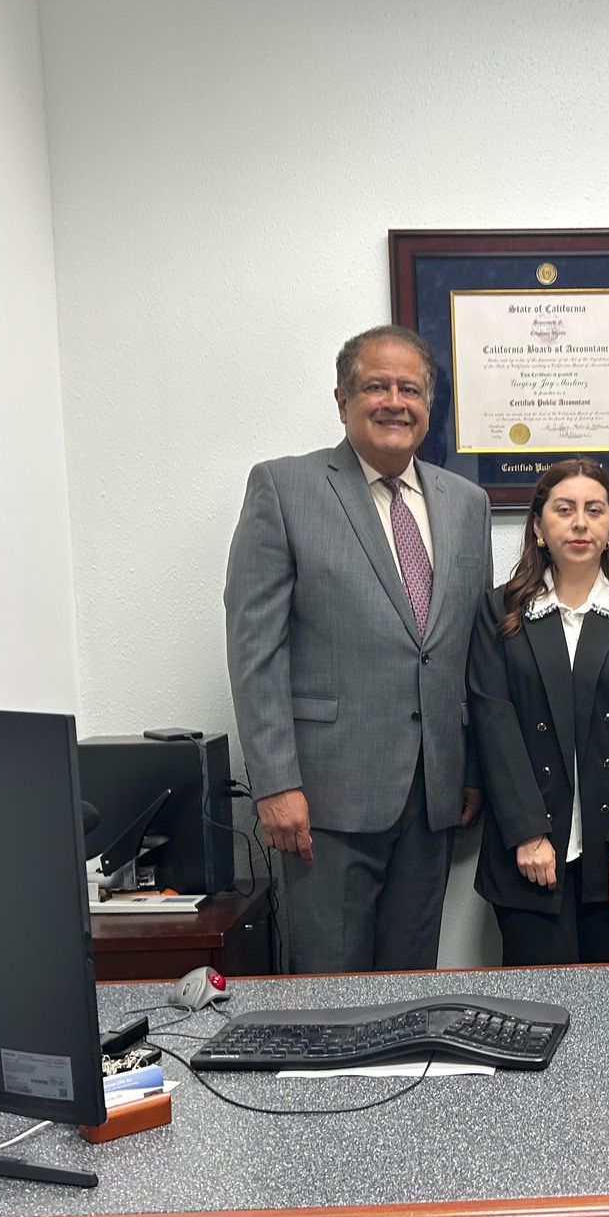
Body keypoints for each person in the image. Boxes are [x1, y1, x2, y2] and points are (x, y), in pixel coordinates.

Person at [224, 324, 491, 973]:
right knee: (328, 988)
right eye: (376, 386)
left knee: (409, 985)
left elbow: (475, 651)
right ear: (342, 400)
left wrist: (472, 770)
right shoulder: (284, 489)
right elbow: (255, 649)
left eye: (410, 388)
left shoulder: (466, 503)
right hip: (323, 799)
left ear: (430, 407)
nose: (394, 401)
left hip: (434, 795)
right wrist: (275, 783)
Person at [467, 459, 609, 964]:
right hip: (529, 853)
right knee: (537, 1012)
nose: (580, 522)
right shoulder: (500, 611)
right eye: (564, 510)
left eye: (594, 511)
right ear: (538, 527)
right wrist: (528, 832)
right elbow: (495, 727)